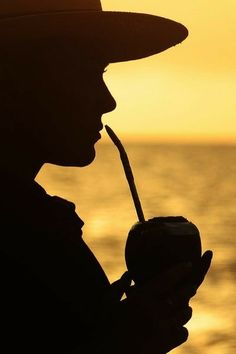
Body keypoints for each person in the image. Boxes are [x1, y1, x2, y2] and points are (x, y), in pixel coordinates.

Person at [0, 1, 213, 353]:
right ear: (13, 77)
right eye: (87, 73)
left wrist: (105, 317)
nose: (107, 100)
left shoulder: (35, 223)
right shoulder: (23, 231)